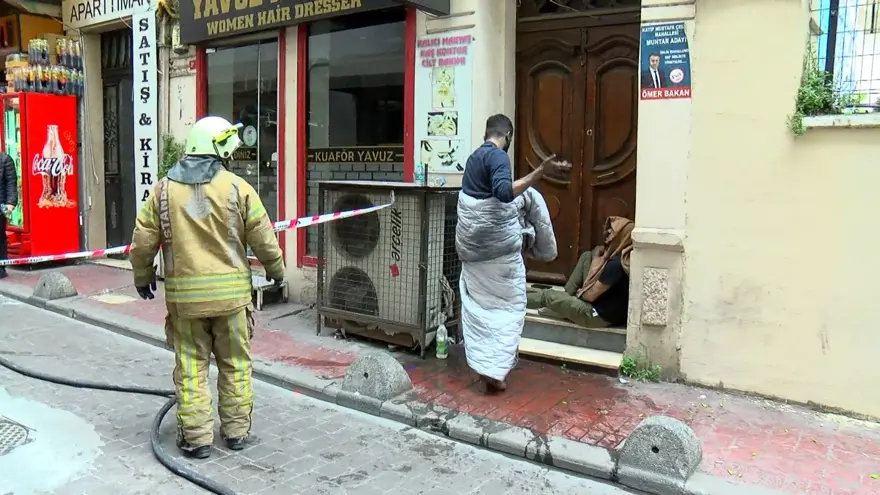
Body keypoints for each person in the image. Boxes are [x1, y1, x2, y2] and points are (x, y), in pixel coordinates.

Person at [129, 116, 285, 460]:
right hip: (232, 301)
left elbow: (142, 242)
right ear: (218, 149)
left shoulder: (162, 191)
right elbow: (263, 235)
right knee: (235, 365)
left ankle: (197, 440)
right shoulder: (238, 188)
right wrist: (277, 272)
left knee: (191, 367)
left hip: (186, 305)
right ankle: (236, 433)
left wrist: (142, 276)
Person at [456, 114, 570, 393]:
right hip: (497, 256)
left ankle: (485, 364)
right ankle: (495, 372)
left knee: (480, 308)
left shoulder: (473, 159)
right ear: (507, 134)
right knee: (509, 308)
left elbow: (478, 201)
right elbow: (504, 193)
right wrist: (539, 173)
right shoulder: (498, 158)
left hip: (472, 251)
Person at [527, 216, 634, 328]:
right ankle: (564, 298)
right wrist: (597, 258)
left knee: (548, 295)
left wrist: (576, 296)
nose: (607, 232)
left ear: (621, 236)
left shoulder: (615, 265)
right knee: (586, 256)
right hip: (603, 309)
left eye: (612, 231)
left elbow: (589, 296)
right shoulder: (621, 257)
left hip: (595, 315)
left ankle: (511, 303)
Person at [0, 151, 17, 278]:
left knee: (0, 237)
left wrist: (10, 204)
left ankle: (1, 268)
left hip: (0, 207)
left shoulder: (5, 160)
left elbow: (11, 183)